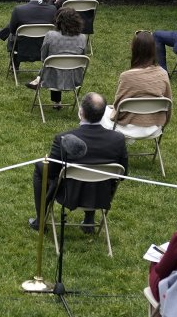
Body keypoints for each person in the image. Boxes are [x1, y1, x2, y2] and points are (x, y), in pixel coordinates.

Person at [29, 92, 128, 231]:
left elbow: (51, 173)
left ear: (81, 112)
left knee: (41, 169)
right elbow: (123, 174)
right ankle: (89, 221)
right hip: (101, 195)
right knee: (95, 173)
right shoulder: (117, 139)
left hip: (69, 195)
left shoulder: (64, 138)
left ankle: (40, 221)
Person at [100, 31, 172, 138]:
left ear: (134, 50)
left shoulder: (127, 76)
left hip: (128, 126)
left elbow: (118, 107)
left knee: (95, 110)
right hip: (154, 127)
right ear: (154, 50)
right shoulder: (163, 74)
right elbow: (168, 105)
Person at [26, 7, 87, 107]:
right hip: (74, 78)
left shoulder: (51, 35)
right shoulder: (82, 37)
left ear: (58, 21)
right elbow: (82, 58)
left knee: (51, 64)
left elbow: (43, 58)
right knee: (55, 63)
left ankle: (38, 79)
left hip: (51, 77)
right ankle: (56, 101)